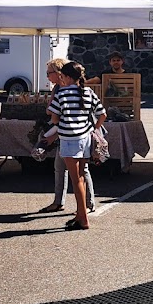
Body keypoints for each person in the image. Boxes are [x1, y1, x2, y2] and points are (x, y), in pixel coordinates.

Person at [48, 61, 106, 231]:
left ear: (65, 77)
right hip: (85, 138)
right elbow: (102, 114)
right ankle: (81, 214)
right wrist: (92, 129)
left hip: (69, 140)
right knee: (81, 177)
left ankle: (83, 219)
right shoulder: (89, 92)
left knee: (76, 180)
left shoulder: (62, 94)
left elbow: (54, 118)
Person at [39, 58, 95, 214]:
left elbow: (60, 116)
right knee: (61, 168)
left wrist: (53, 134)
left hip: (70, 136)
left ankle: (85, 206)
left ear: (60, 74)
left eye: (49, 73)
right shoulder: (61, 88)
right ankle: (61, 202)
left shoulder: (65, 90)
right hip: (68, 135)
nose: (47, 76)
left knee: (80, 173)